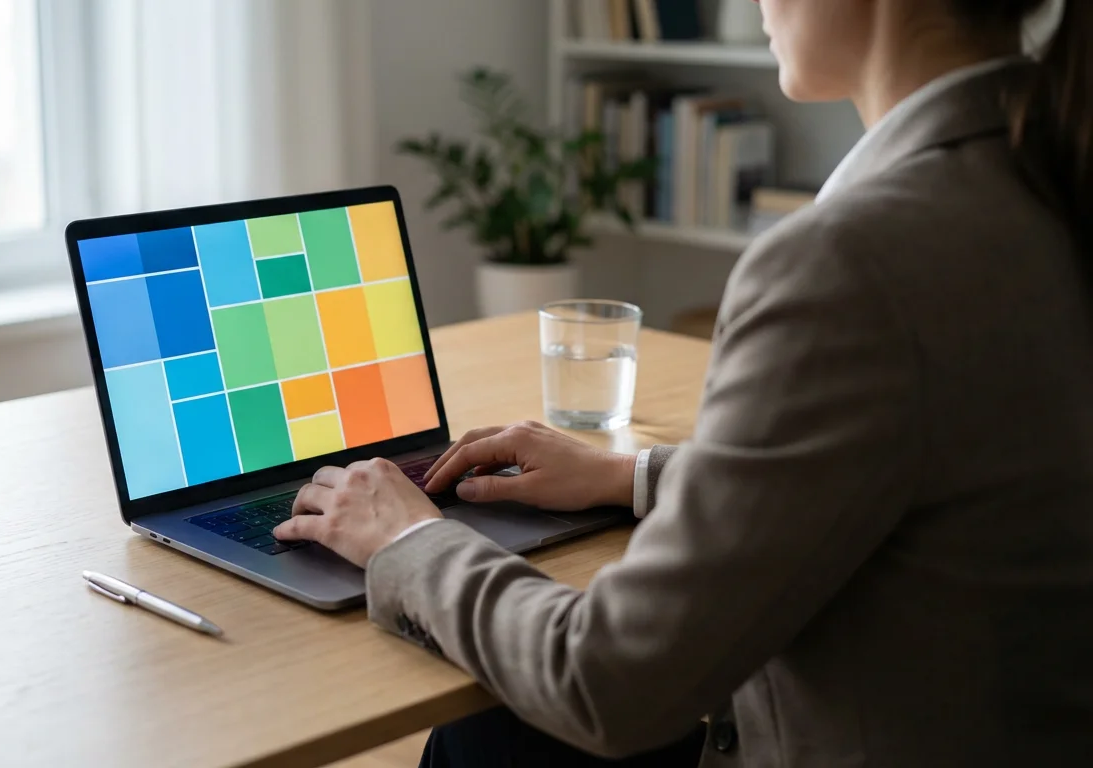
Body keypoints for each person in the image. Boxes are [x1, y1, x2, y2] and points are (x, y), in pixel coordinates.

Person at [273, 0, 1093, 764]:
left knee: (484, 734)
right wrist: (630, 474)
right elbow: (922, 463)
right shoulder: (1049, 174)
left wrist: (406, 541)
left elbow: (606, 682)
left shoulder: (851, 260)